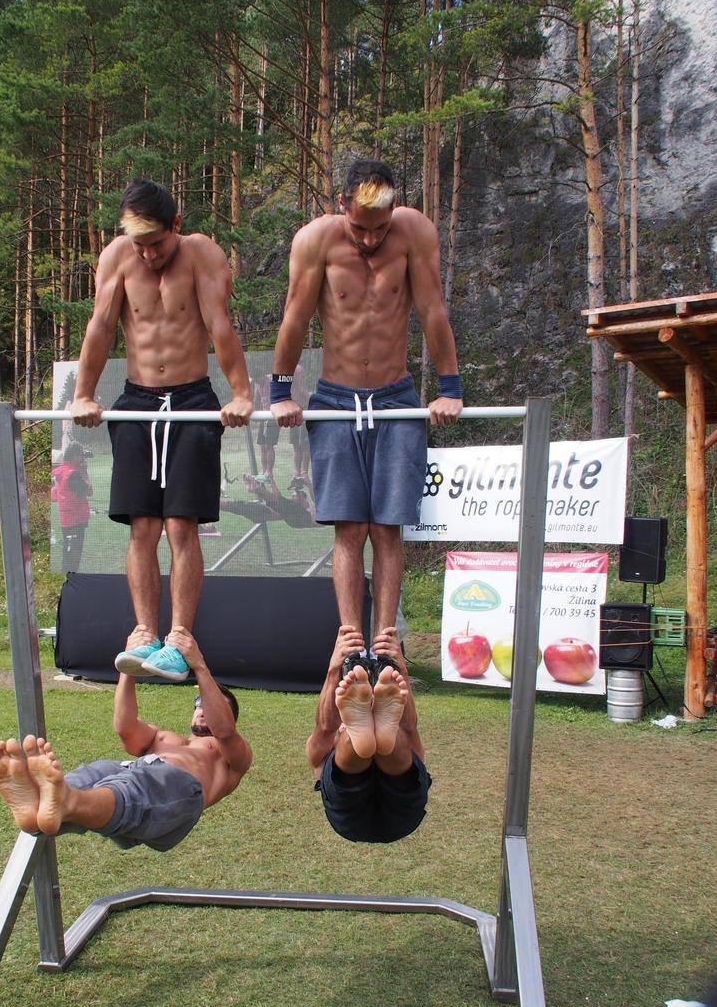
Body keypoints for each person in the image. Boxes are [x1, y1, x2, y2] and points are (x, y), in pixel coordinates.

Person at [270, 157, 462, 655]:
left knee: (388, 528)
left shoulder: (414, 232)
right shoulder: (316, 240)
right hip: (336, 398)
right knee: (350, 528)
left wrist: (450, 388)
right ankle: (351, 642)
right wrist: (280, 392)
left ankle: (386, 643)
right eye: (360, 228)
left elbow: (432, 310)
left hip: (395, 397)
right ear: (342, 205)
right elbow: (295, 317)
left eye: (380, 228)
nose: (371, 239)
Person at [70, 178, 252, 681]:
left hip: (193, 399)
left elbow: (219, 325)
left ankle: (179, 639)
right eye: (139, 245)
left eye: (156, 243)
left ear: (177, 224)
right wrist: (83, 394)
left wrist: (241, 394)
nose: (148, 255)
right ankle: (144, 632)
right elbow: (101, 326)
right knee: (143, 527)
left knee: (180, 526)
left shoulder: (201, 254)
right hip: (138, 400)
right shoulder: (117, 257)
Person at [0, 627, 251, 851]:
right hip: (131, 778)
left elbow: (224, 731)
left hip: (176, 794)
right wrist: (128, 664)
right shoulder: (164, 737)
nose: (203, 709)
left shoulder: (229, 756)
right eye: (199, 703)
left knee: (139, 783)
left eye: (212, 705)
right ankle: (38, 807)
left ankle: (65, 800)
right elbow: (125, 727)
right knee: (99, 772)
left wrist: (199, 666)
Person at [306, 625, 432, 844]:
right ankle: (380, 740)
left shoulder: (337, 728)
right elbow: (410, 729)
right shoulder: (394, 722)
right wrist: (401, 667)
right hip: (404, 813)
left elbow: (325, 729)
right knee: (398, 739)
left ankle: (359, 740)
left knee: (347, 738)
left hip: (347, 817)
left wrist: (334, 669)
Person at [51, 440, 93, 573]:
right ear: (74, 455)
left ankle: (66, 579)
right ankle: (69, 580)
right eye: (80, 455)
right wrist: (84, 472)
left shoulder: (62, 471)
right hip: (75, 520)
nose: (82, 459)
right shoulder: (72, 474)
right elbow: (89, 491)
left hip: (67, 519)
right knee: (73, 560)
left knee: (68, 556)